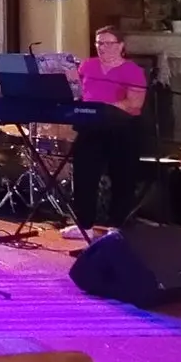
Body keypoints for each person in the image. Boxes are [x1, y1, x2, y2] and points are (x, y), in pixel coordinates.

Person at [66, 27, 148, 238]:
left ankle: (117, 226)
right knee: (84, 176)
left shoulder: (132, 70)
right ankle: (84, 225)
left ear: (121, 46)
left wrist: (103, 107)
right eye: (99, 43)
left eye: (108, 43)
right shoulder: (88, 65)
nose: (102, 47)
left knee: (122, 177)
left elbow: (134, 103)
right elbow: (76, 92)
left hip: (121, 128)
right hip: (90, 127)